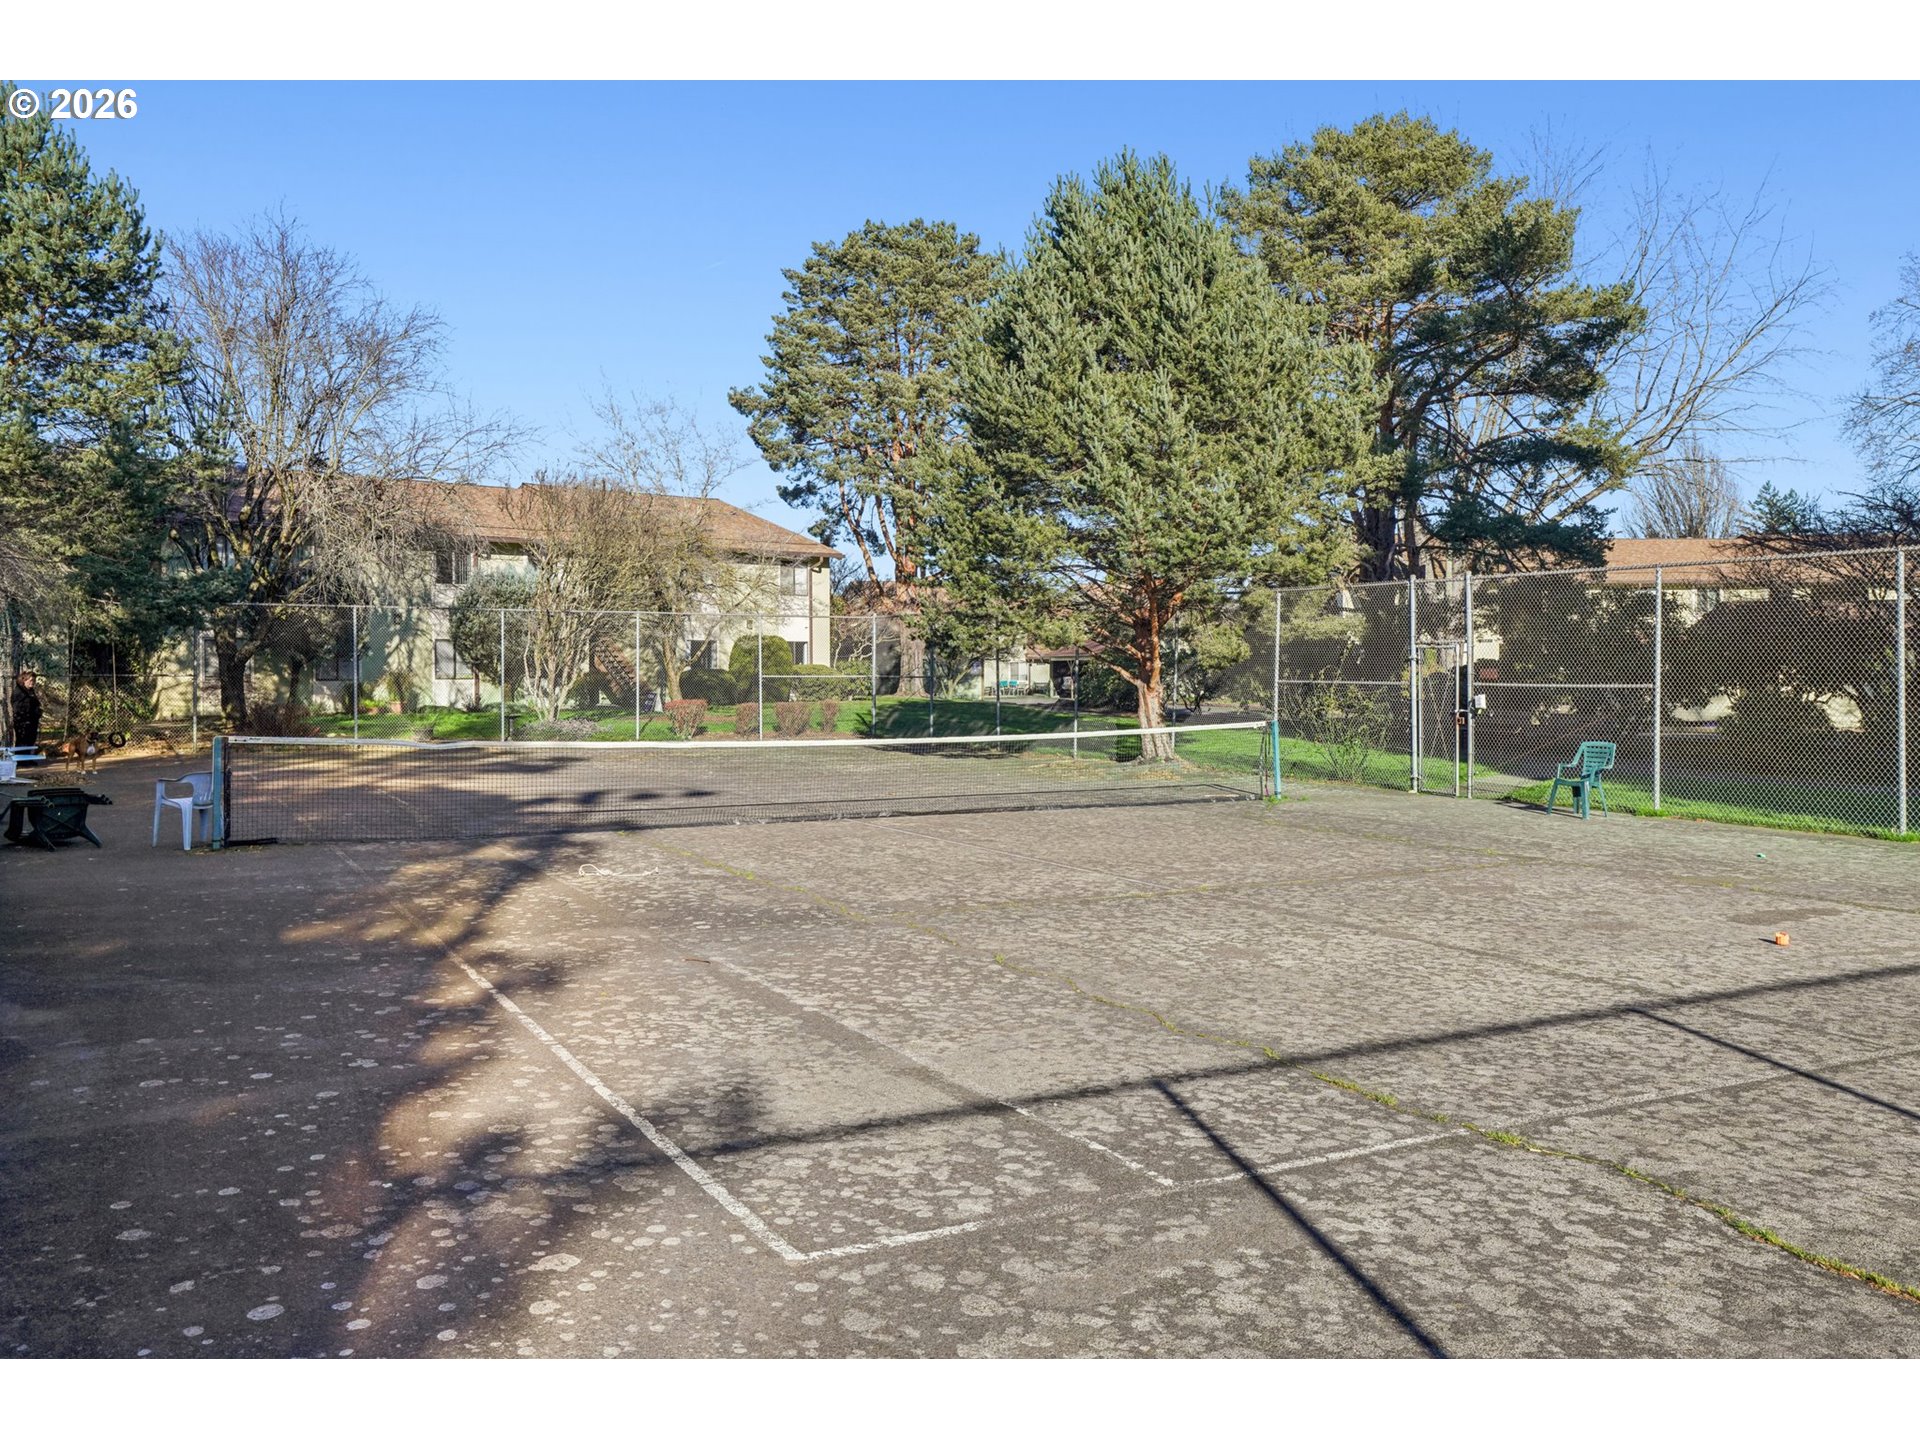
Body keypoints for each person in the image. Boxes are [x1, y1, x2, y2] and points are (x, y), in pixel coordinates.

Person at [10, 669, 42, 750]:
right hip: (23, 721)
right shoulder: (19, 691)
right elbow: (17, 708)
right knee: (22, 741)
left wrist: (38, 713)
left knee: (31, 740)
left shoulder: (30, 690)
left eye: (34, 680)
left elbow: (35, 704)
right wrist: (26, 717)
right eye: (31, 680)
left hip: (32, 720)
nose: (33, 682)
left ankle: (28, 759)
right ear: (25, 680)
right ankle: (22, 761)